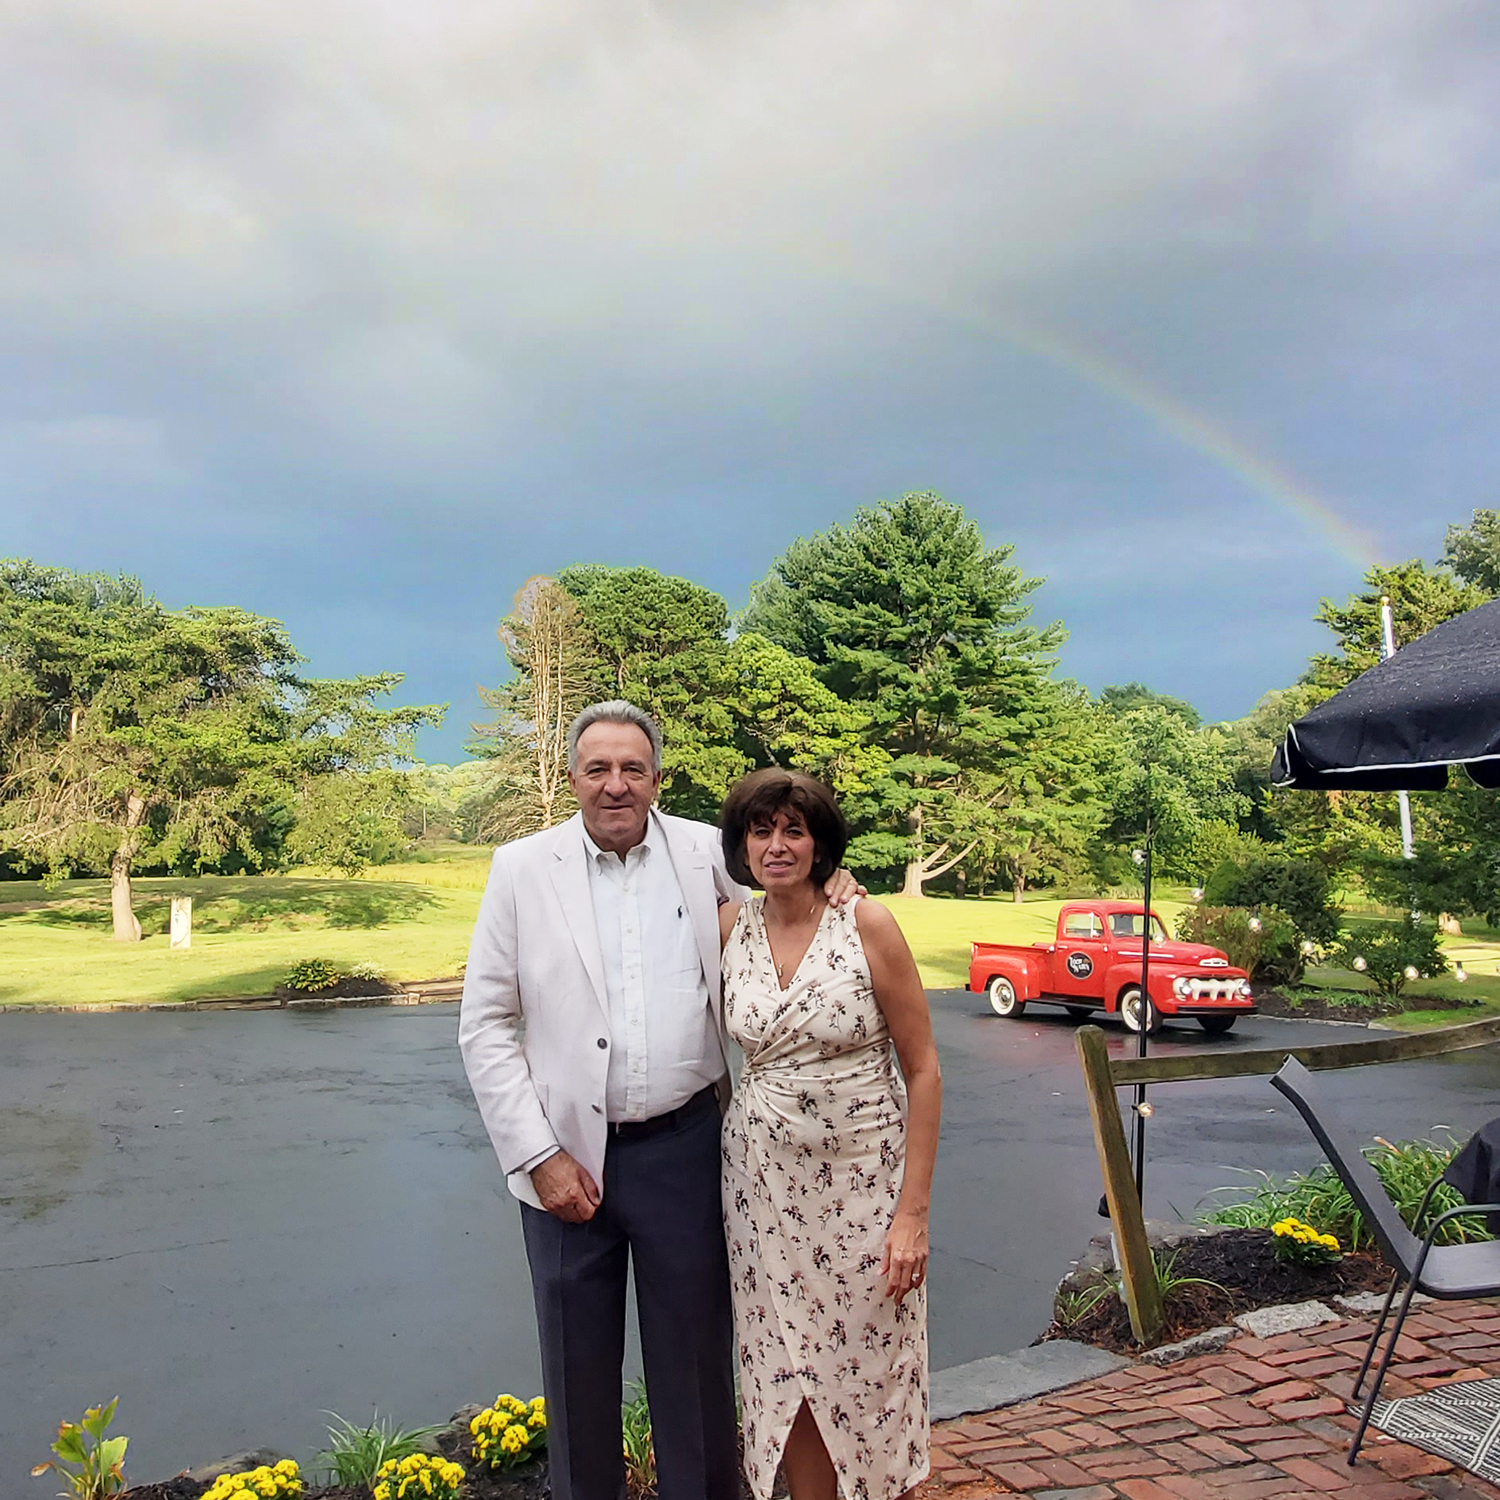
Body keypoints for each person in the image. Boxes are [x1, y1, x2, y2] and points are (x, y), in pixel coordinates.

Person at [459, 702, 859, 1500]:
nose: (616, 785)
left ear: (657, 778)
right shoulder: (521, 869)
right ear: (571, 777)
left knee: (697, 1373)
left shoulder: (705, 850)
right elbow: (486, 1025)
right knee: (577, 1375)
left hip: (686, 1150)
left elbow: (781, 900)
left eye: (632, 769)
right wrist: (538, 1157)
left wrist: (833, 881)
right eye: (598, 768)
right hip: (566, 1162)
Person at [717, 768, 941, 1500]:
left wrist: (911, 1215)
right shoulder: (729, 928)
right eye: (761, 830)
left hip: (863, 1192)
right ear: (742, 843)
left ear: (821, 844)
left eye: (794, 830)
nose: (777, 845)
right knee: (787, 1369)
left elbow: (925, 1070)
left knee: (871, 1369)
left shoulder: (864, 923)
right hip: (761, 1192)